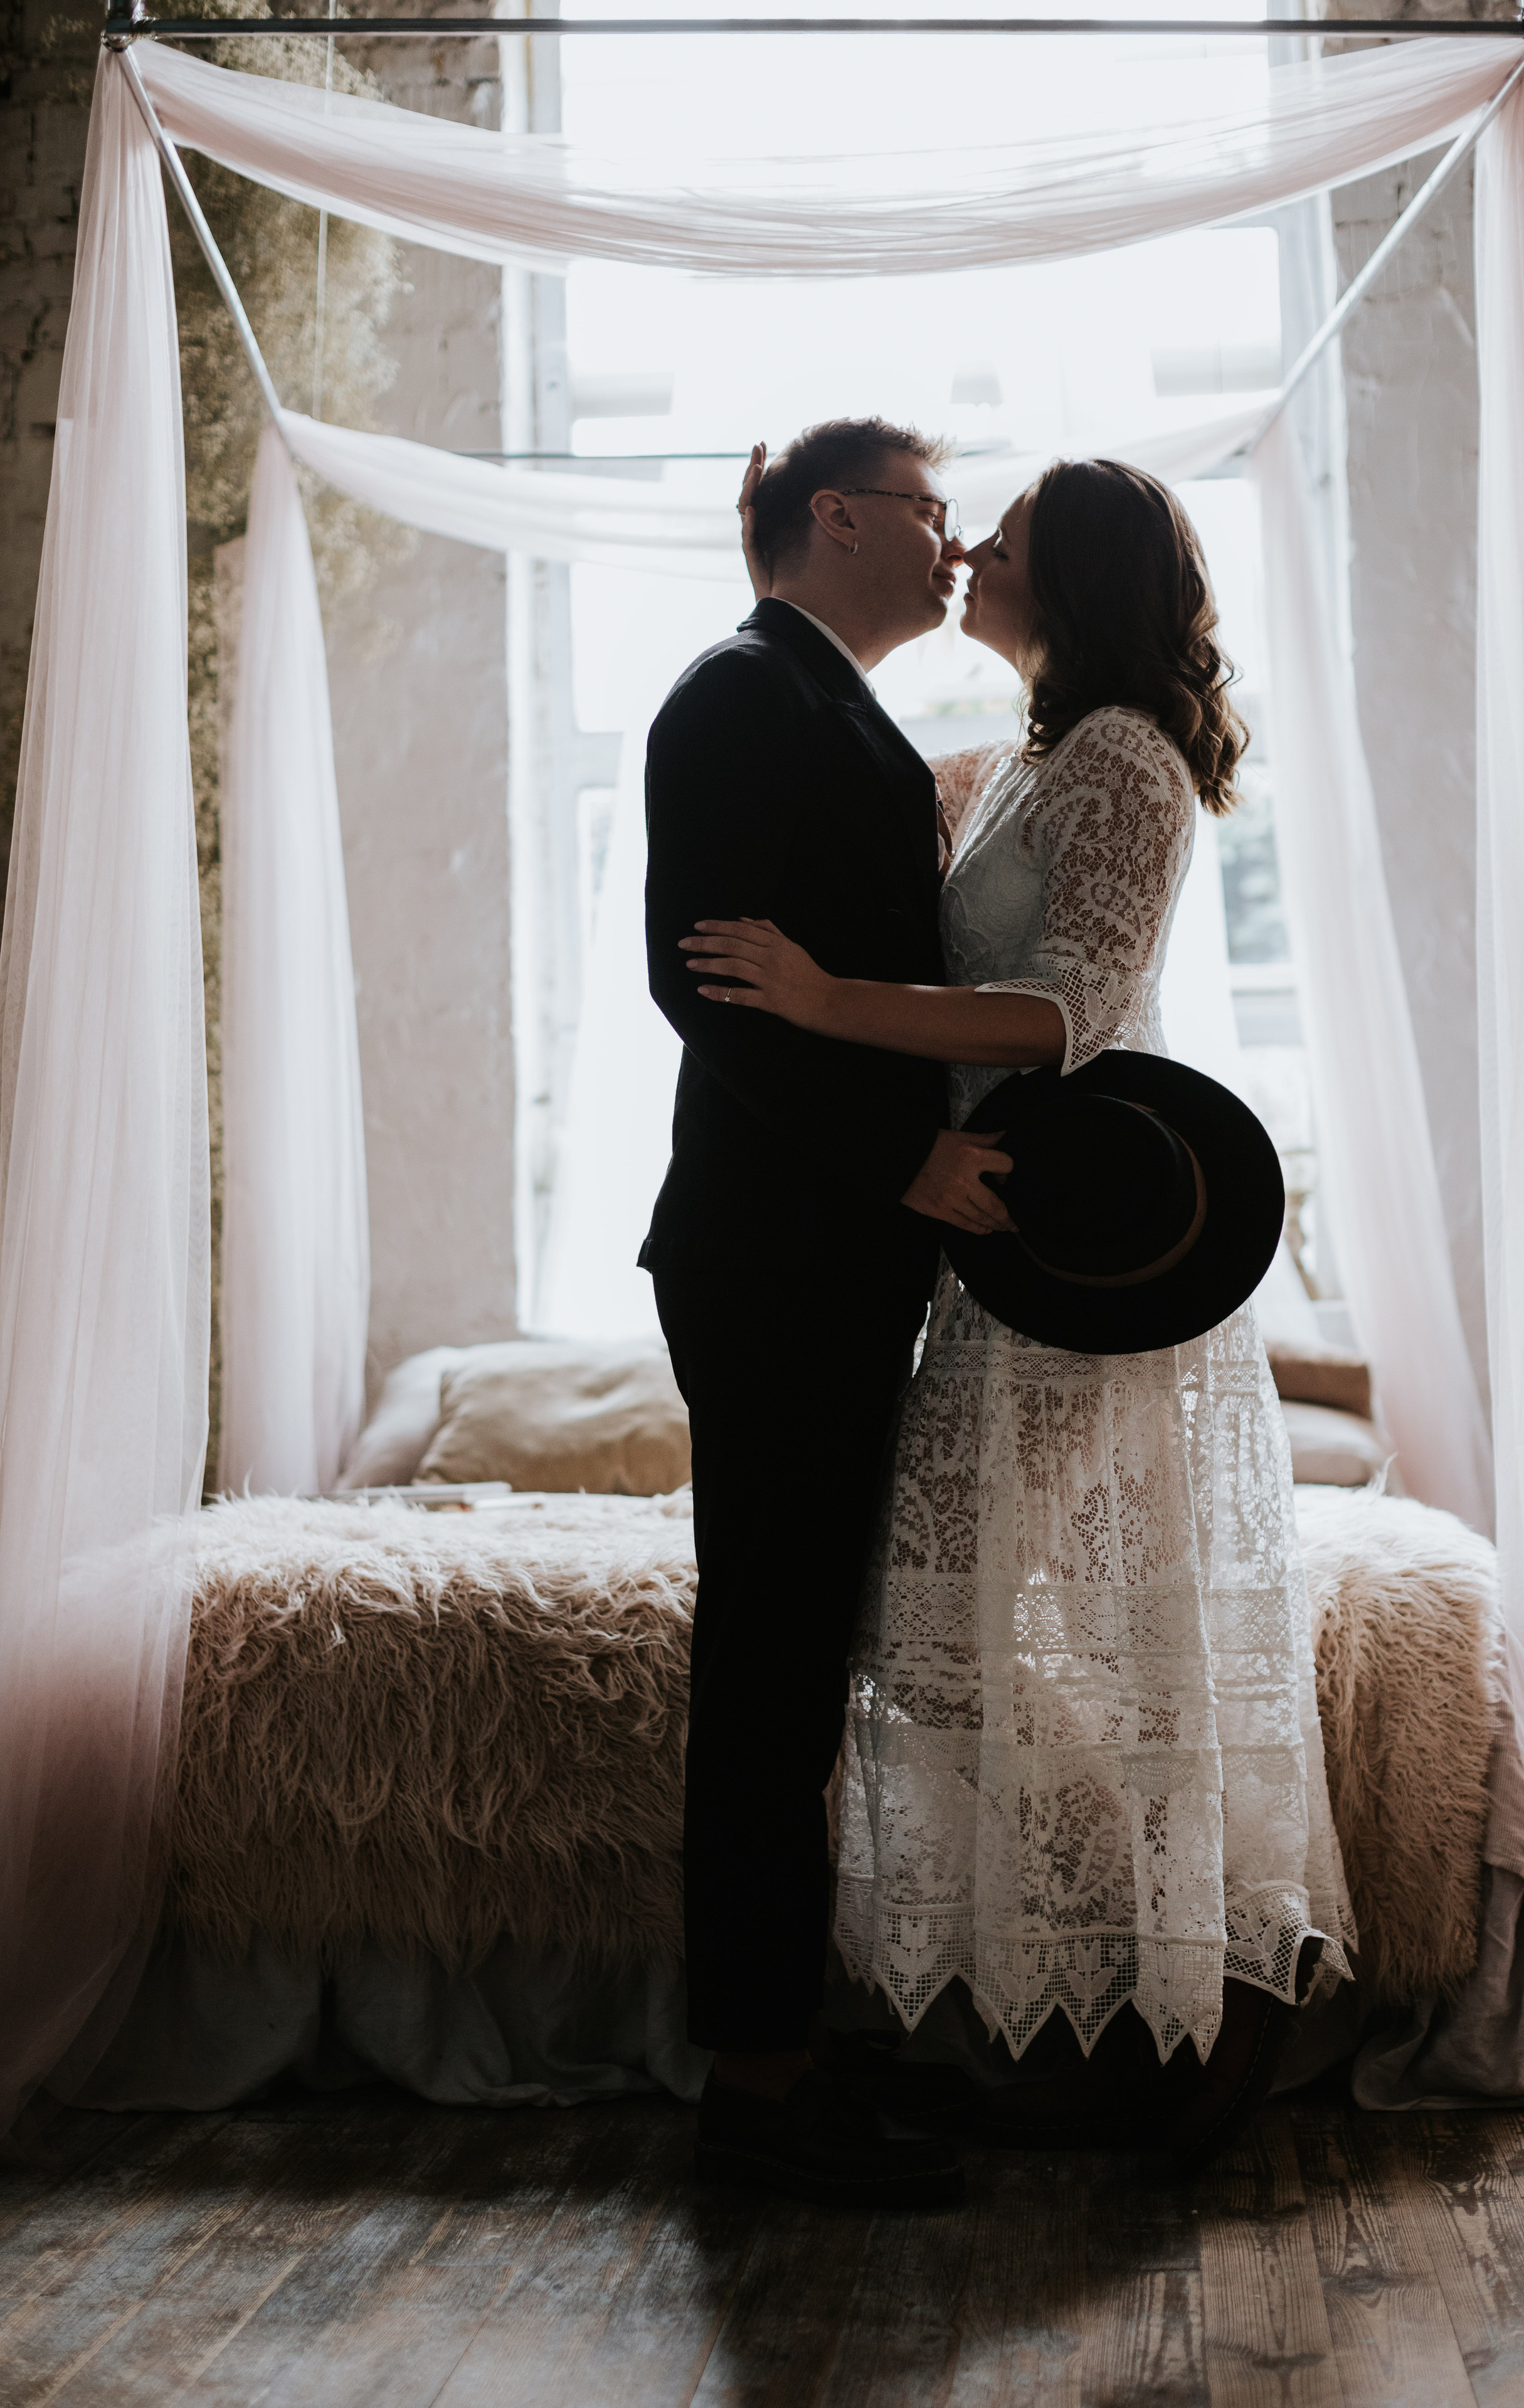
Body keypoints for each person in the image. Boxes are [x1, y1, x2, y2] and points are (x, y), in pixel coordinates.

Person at [682, 457, 1355, 2162]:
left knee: (1019, 1645)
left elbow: (1063, 1010)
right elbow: (846, 831)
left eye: (1010, 535)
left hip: (1085, 1253)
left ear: (1082, 578)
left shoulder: (1123, 755)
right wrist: (776, 567)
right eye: (942, 512)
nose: (971, 542)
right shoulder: (1033, 756)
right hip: (992, 1253)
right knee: (960, 1645)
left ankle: (1225, 1982)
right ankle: (1134, 1980)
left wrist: (831, 1002)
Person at [640, 418, 1003, 2208]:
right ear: (839, 518)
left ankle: (797, 2045)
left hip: (823, 1260)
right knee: (770, 1669)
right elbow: (703, 985)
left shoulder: (823, 707)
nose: (954, 546)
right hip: (781, 1255)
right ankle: (760, 2095)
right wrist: (902, 1170)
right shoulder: (736, 696)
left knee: (803, 1668)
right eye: (935, 514)